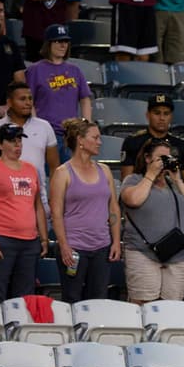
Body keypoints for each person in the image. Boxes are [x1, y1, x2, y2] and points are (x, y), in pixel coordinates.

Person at [0, 124, 50, 304]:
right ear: (0, 144)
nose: (18, 145)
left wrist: (44, 238)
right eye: (12, 141)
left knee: (25, 297)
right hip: (1, 238)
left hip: (29, 241)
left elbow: (37, 205)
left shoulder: (31, 169)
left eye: (19, 141)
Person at [49, 118, 121, 304]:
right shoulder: (62, 173)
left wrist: (116, 242)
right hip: (74, 247)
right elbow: (56, 213)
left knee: (98, 301)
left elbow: (113, 207)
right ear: (80, 140)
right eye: (95, 137)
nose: (100, 141)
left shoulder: (104, 170)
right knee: (72, 299)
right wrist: (64, 245)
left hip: (101, 247)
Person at [118, 138, 184, 304]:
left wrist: (178, 180)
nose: (165, 162)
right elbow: (133, 200)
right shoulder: (134, 180)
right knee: (144, 306)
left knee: (172, 307)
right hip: (143, 253)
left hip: (178, 254)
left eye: (168, 158)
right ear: (147, 158)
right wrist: (151, 174)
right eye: (161, 158)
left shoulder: (174, 184)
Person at [25, 24, 93, 159]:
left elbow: (85, 99)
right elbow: (29, 101)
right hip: (46, 134)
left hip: (71, 135)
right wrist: (36, 128)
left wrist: (86, 125)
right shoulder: (35, 70)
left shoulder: (75, 70)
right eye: (58, 41)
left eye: (66, 41)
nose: (63, 45)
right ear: (48, 44)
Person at [0, 82, 59, 194]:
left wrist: (54, 197)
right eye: (22, 99)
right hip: (5, 198)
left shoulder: (44, 126)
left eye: (30, 98)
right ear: (9, 102)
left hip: (39, 196)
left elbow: (54, 167)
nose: (28, 103)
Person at [118, 94, 184, 188]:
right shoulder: (133, 142)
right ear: (148, 115)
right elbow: (126, 182)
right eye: (157, 113)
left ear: (171, 117)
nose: (162, 118)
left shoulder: (182, 145)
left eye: (166, 113)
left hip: (173, 196)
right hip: (141, 196)